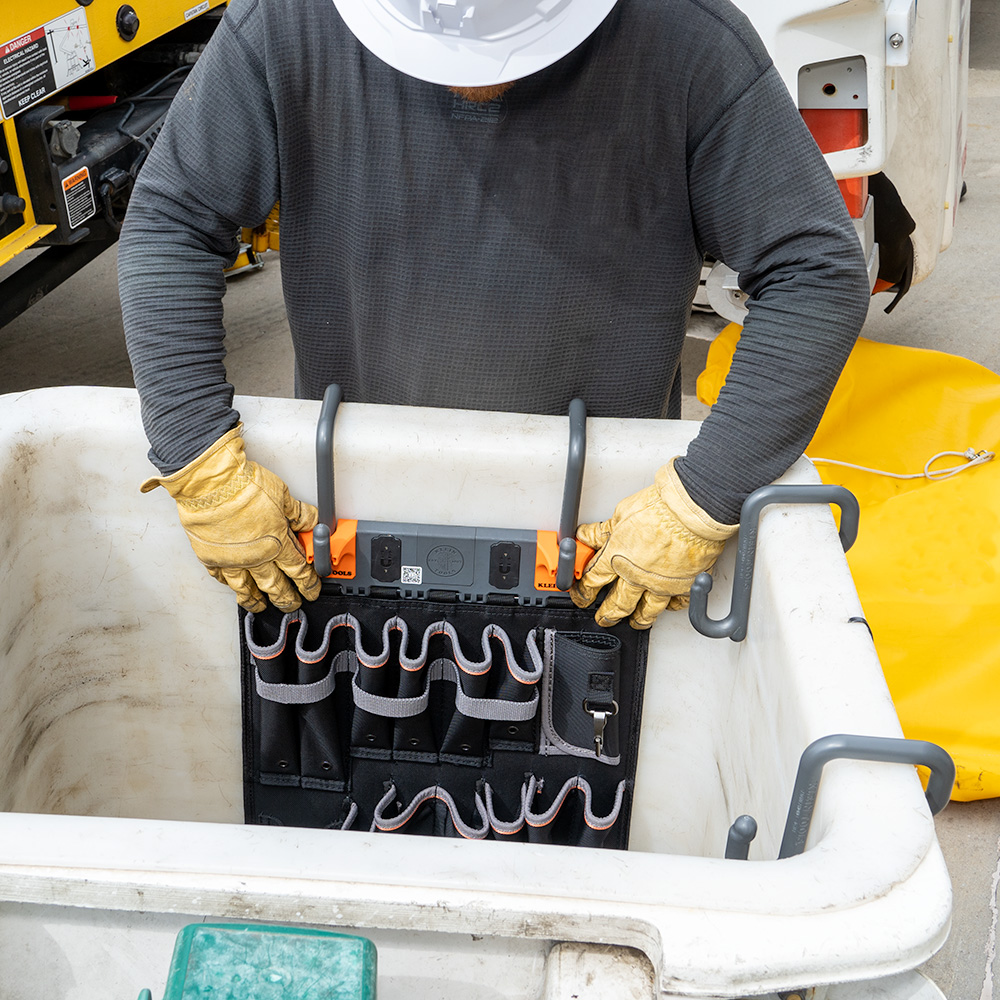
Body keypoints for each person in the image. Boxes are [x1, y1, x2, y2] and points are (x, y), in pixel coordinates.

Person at [119, 0, 870, 629]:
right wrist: (199, 456)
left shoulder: (686, 38)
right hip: (344, 509)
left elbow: (814, 269)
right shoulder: (289, 23)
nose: (473, 73)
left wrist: (702, 496)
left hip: (604, 532)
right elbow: (171, 219)